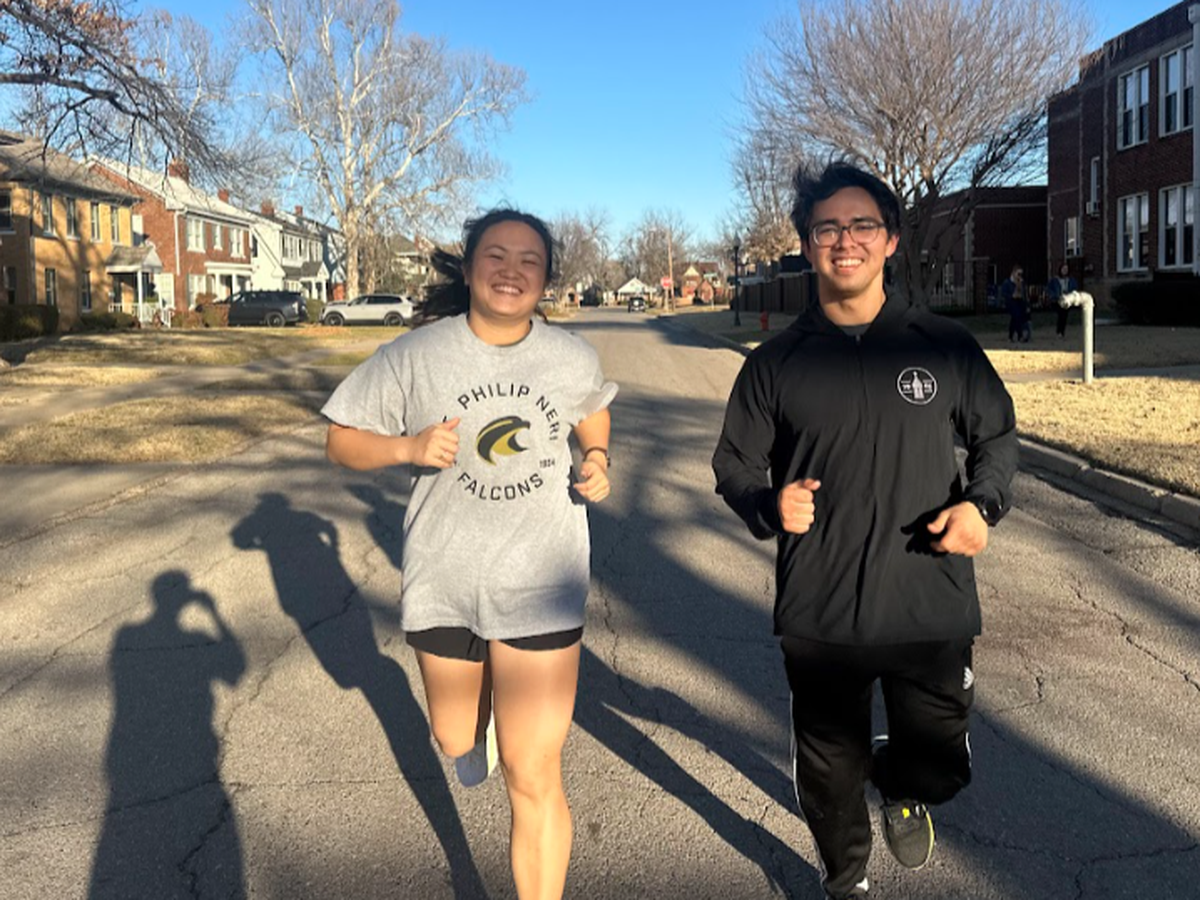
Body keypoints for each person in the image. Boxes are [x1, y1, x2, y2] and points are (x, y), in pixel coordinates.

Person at [712, 162, 1018, 900]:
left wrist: (981, 507)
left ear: (890, 240)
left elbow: (997, 438)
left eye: (861, 226)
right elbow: (734, 464)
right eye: (827, 228)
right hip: (822, 613)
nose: (844, 240)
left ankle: (904, 785)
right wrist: (768, 504)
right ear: (807, 244)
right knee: (829, 771)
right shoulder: (775, 363)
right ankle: (845, 876)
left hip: (929, 603)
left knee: (942, 767)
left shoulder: (943, 344)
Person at [322, 209, 617, 900]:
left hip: (542, 581)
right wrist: (407, 446)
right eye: (496, 255)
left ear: (546, 278)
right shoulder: (417, 355)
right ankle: (477, 726)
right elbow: (340, 439)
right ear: (468, 266)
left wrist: (597, 455)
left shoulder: (570, 357)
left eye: (529, 260)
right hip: (447, 579)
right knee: (455, 739)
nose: (511, 271)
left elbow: (591, 408)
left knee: (531, 770)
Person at [1048, 262, 1079, 339]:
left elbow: (1074, 288)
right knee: (1061, 314)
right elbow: (1049, 289)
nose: (1065, 271)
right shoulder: (1055, 280)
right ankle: (1059, 331)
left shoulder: (1071, 280)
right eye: (1063, 269)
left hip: (1067, 299)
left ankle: (1062, 332)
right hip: (1058, 299)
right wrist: (1053, 296)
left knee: (1064, 315)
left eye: (1066, 269)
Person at [1001, 264, 1030, 343]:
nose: (1020, 276)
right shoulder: (1007, 282)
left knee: (1016, 318)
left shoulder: (1021, 282)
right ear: (1013, 273)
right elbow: (1004, 294)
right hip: (1010, 301)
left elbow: (1024, 294)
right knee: (1016, 315)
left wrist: (1027, 305)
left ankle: (1011, 336)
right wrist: (1011, 296)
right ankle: (1020, 335)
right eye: (1018, 274)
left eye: (1021, 274)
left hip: (1019, 301)